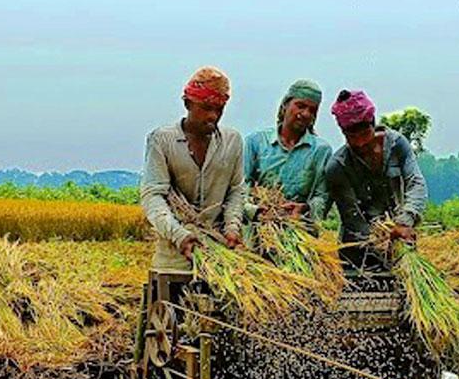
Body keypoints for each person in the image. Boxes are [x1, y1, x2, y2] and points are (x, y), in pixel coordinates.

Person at [139, 66, 246, 273]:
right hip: (174, 257)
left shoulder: (232, 141)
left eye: (219, 109)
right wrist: (180, 236)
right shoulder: (162, 140)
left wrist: (232, 228)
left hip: (220, 254)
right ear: (188, 103)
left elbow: (236, 191)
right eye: (206, 108)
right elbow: (153, 196)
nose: (213, 116)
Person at [323, 89, 428, 266]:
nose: (360, 143)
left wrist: (405, 221)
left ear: (373, 123)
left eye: (365, 134)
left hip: (401, 243)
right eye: (352, 137)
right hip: (357, 253)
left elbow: (415, 182)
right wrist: (384, 239)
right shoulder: (337, 167)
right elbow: (353, 219)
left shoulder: (397, 144)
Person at [243, 79, 333, 224]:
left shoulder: (321, 151)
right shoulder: (256, 142)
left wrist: (304, 209)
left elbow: (323, 197)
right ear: (285, 105)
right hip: (259, 234)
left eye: (312, 110)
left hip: (301, 235)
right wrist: (256, 211)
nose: (305, 114)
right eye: (300, 106)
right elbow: (240, 188)